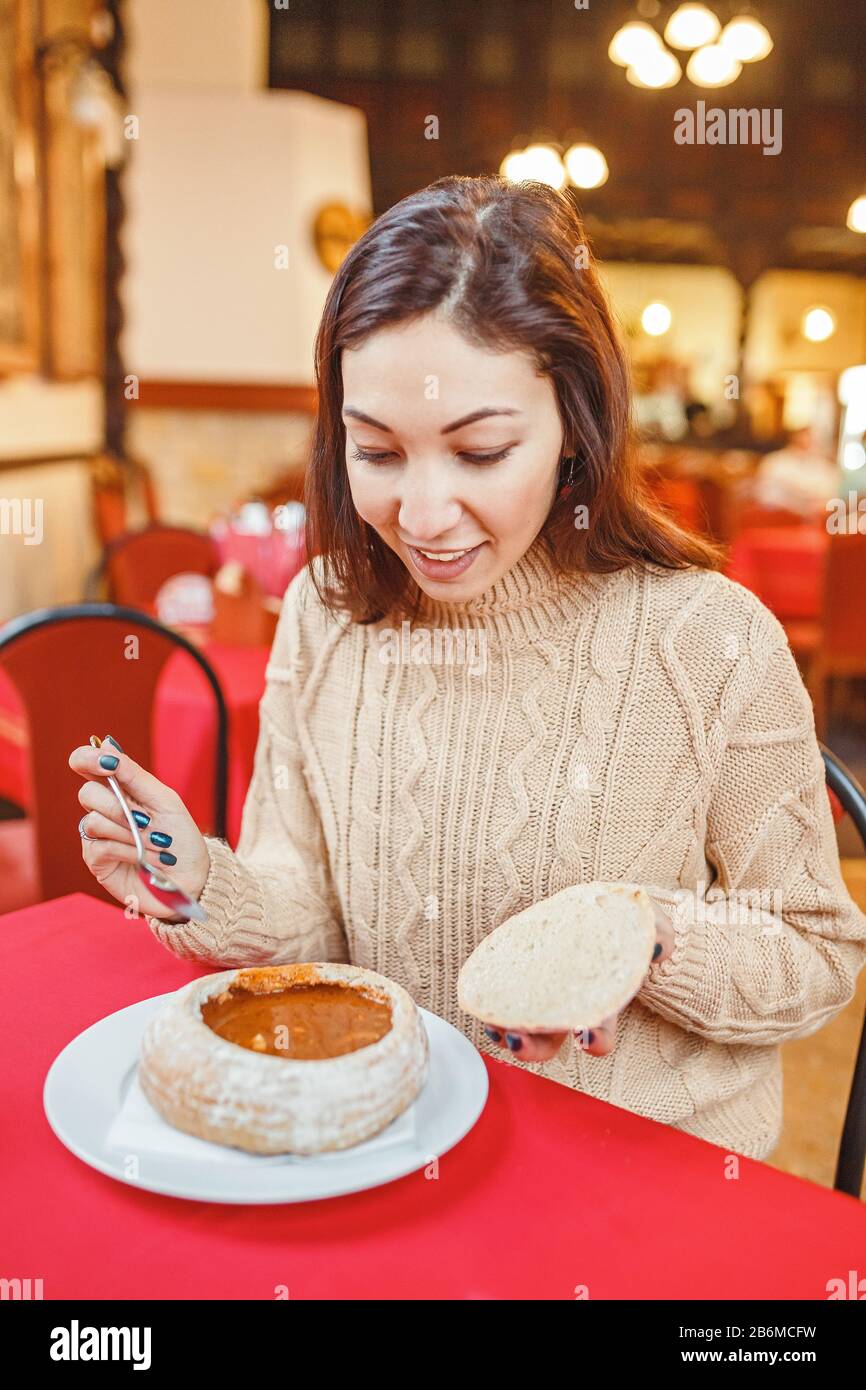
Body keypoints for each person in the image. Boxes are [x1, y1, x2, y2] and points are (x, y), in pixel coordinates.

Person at [69, 175, 866, 1161]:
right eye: (377, 451)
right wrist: (200, 878)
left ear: (575, 422)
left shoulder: (704, 637)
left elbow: (817, 950)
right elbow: (310, 904)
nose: (425, 514)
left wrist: (647, 936)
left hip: (636, 1169)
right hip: (386, 1139)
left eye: (481, 452)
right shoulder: (325, 611)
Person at [751, 425, 839, 519]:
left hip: (813, 521)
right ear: (793, 438)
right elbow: (766, 496)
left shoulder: (823, 466)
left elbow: (830, 495)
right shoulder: (775, 462)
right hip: (777, 518)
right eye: (801, 439)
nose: (805, 442)